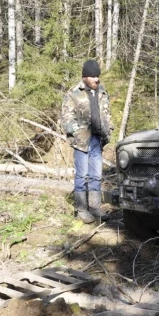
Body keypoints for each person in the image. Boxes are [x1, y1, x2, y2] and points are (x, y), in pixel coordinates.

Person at [61, 59, 113, 223]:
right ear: (85, 77)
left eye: (97, 76)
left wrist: (109, 129)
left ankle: (95, 208)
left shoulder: (102, 92)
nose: (96, 79)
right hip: (82, 143)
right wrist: (78, 133)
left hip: (98, 140)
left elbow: (107, 113)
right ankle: (82, 209)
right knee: (82, 176)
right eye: (92, 76)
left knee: (96, 176)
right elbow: (67, 119)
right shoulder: (74, 94)